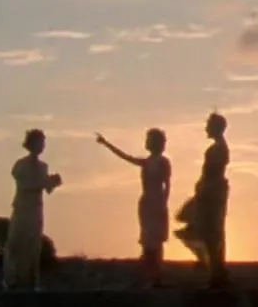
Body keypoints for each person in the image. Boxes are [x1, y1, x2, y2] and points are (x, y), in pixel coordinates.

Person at [95, 128, 171, 287]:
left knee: (156, 240)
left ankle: (157, 276)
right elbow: (125, 157)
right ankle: (150, 276)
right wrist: (106, 143)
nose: (147, 142)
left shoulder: (163, 162)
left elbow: (167, 185)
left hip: (157, 203)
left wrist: (163, 203)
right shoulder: (147, 162)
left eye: (149, 139)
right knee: (147, 240)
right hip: (146, 203)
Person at [174, 110, 230, 287]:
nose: (206, 128)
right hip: (210, 191)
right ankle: (215, 270)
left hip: (211, 193)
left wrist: (204, 191)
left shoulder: (218, 149)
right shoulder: (218, 147)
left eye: (208, 125)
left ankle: (216, 272)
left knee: (211, 233)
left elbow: (212, 173)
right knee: (208, 232)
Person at [3, 129, 62, 290]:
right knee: (16, 242)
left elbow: (45, 188)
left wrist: (53, 182)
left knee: (34, 245)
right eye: (39, 142)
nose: (41, 145)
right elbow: (25, 185)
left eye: (43, 142)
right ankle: (12, 279)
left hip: (36, 209)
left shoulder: (43, 166)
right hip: (23, 207)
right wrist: (44, 182)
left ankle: (31, 280)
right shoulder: (20, 165)